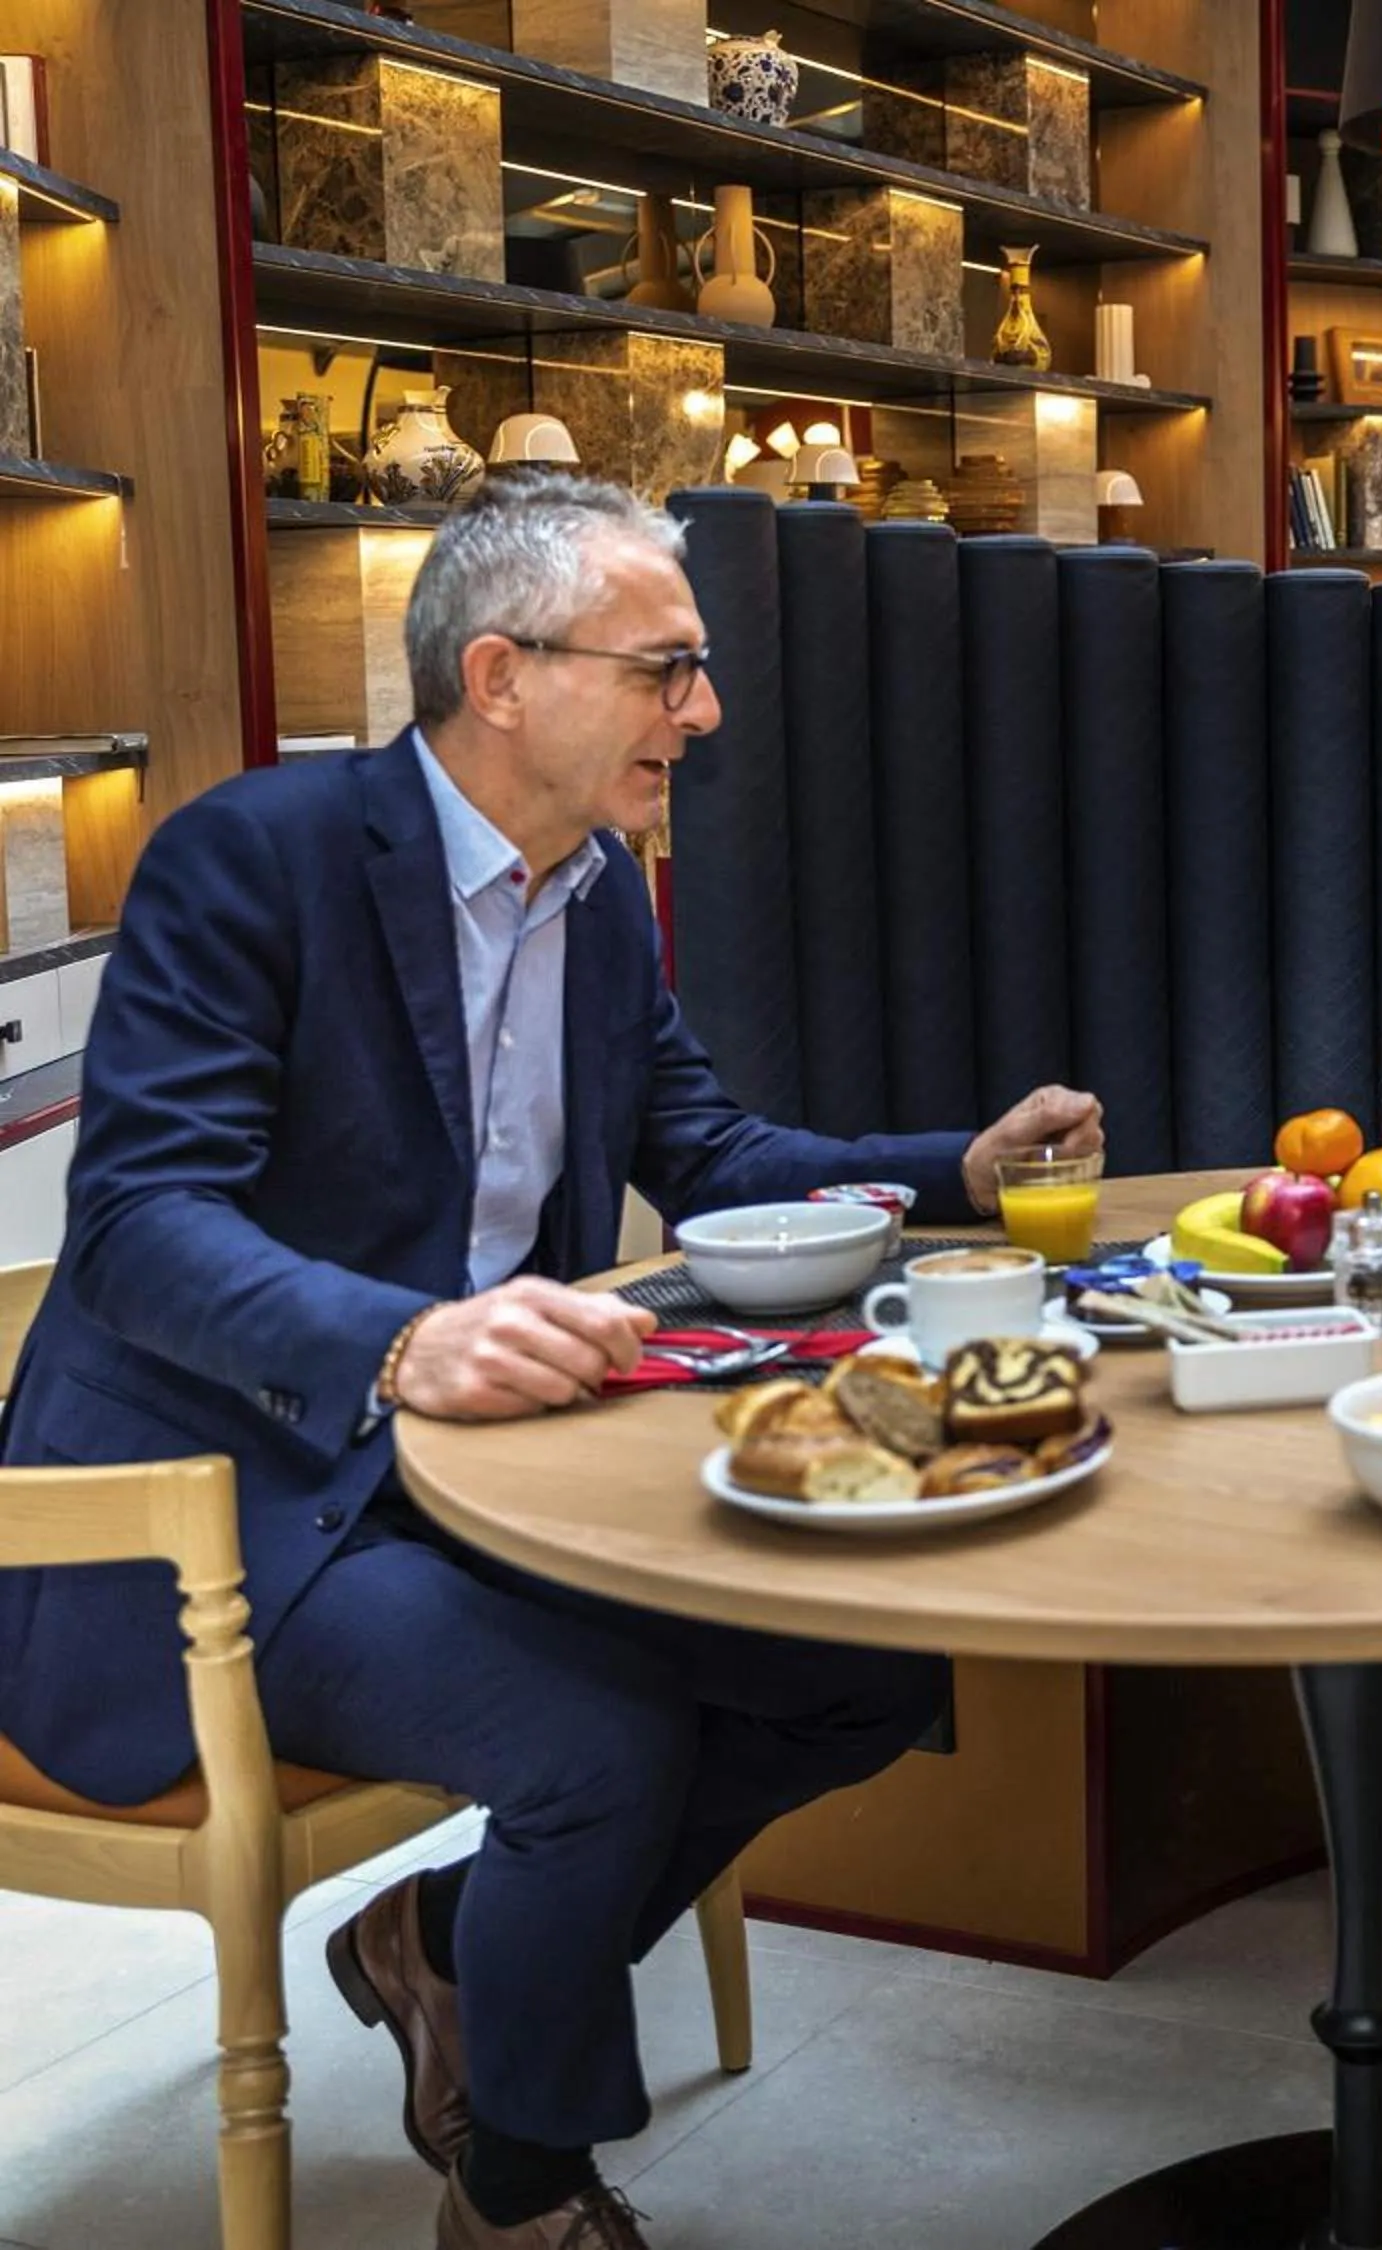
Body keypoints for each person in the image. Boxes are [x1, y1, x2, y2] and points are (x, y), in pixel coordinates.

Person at [0, 473, 1105, 2248]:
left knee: (863, 1670)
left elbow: (713, 1153)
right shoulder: (254, 858)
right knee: (597, 1737)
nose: (705, 709)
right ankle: (517, 2187)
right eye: (667, 667)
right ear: (502, 677)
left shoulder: (592, 896)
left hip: (473, 1478)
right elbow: (136, 1225)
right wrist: (404, 1339)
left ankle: (447, 1949)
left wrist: (953, 1172)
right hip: (227, 1515)